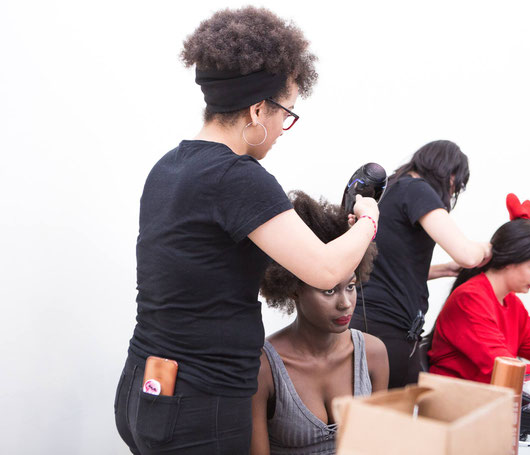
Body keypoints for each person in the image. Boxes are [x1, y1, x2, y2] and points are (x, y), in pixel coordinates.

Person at [114, 8, 379, 454]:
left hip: (143, 389)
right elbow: (327, 269)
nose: (282, 129)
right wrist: (369, 218)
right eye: (286, 114)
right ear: (258, 110)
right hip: (200, 405)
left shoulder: (168, 167)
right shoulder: (238, 177)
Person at [250, 192, 389, 455]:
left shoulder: (373, 354)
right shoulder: (264, 367)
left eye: (350, 286)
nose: (345, 303)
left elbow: (377, 445)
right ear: (293, 289)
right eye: (328, 290)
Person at [349, 140, 491, 388]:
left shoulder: (391, 189)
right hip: (387, 330)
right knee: (392, 418)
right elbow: (467, 255)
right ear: (451, 174)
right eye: (456, 186)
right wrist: (488, 248)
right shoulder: (417, 189)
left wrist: (441, 270)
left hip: (362, 323)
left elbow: (388, 265)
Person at [428, 194, 530, 383]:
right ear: (511, 260)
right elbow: (504, 369)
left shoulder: (511, 302)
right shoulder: (470, 298)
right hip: (456, 402)